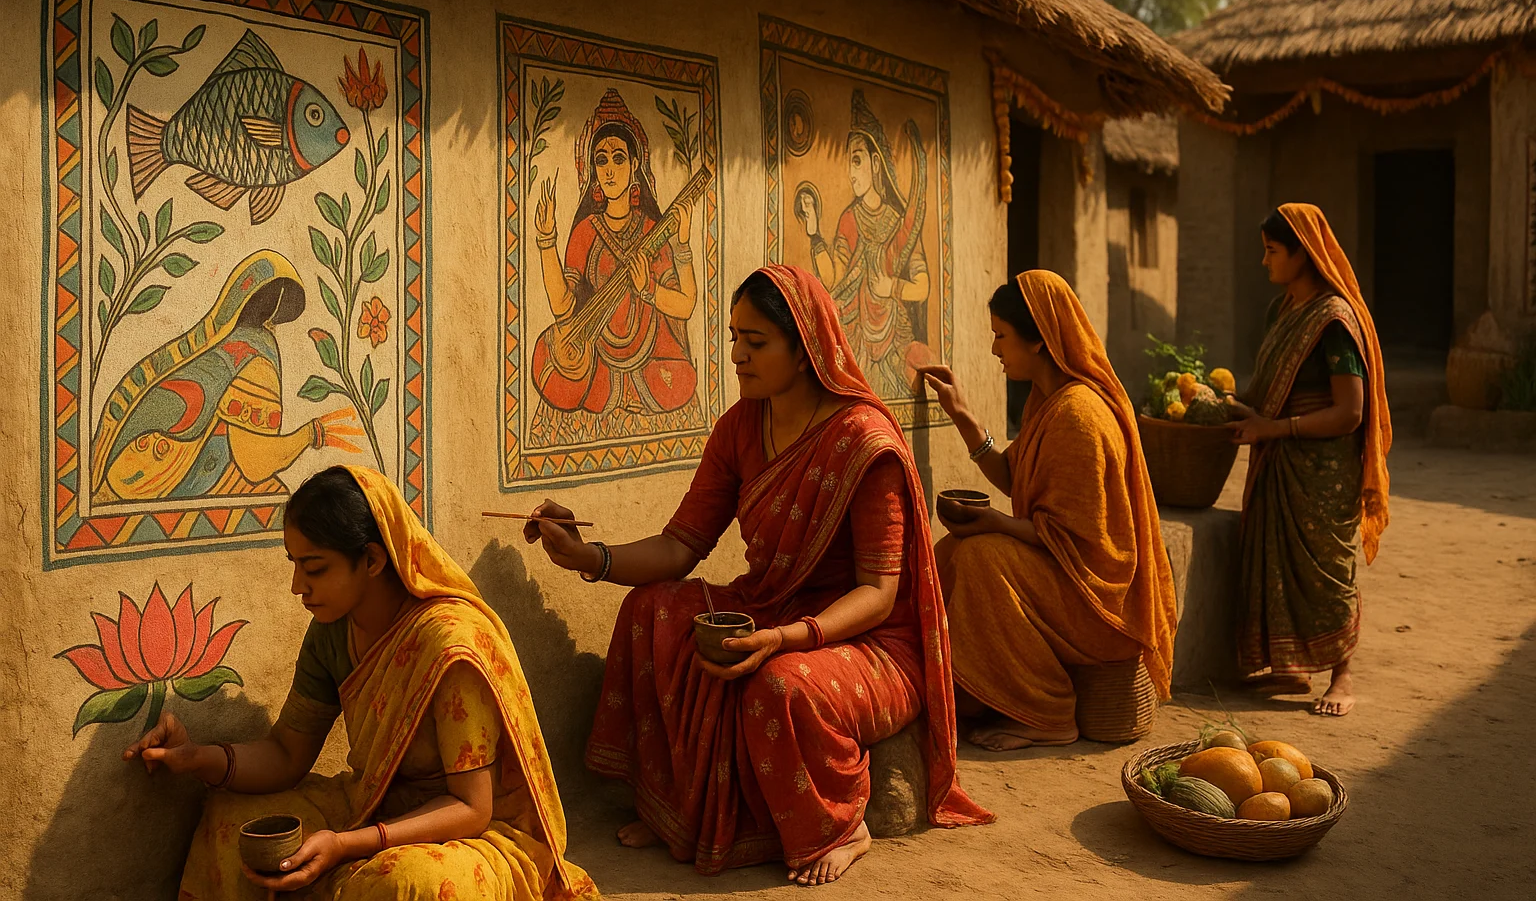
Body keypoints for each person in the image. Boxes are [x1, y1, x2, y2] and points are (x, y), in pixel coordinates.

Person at [525, 265, 990, 886]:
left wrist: (787, 638)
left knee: (779, 686)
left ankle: (843, 827)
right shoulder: (741, 425)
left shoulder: (864, 442)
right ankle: (679, 813)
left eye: (757, 342)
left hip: (869, 642)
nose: (738, 355)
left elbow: (879, 597)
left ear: (805, 349)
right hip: (771, 605)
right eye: (734, 337)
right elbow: (678, 545)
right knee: (649, 612)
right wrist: (589, 557)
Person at [123, 466, 596, 900]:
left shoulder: (451, 645)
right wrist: (197, 758)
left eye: (315, 568)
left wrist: (346, 845)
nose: (297, 586)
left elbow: (471, 808)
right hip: (372, 803)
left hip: (476, 834)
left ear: (371, 559)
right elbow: (287, 753)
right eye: (294, 564)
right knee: (230, 822)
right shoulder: (331, 630)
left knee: (410, 884)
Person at [917, 271, 1178, 750]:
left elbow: (1076, 542)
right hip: (1067, 580)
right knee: (956, 550)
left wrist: (995, 522)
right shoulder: (1049, 401)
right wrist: (963, 415)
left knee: (981, 559)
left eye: (1001, 336)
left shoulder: (1079, 415)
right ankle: (963, 692)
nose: (995, 349)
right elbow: (1015, 477)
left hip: (1100, 609)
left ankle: (1047, 712)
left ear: (1038, 340)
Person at [1226, 204, 1392, 717]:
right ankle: (1290, 666)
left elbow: (1349, 412)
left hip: (1321, 471)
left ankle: (1342, 676)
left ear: (1304, 253)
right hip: (1281, 460)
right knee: (1277, 563)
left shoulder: (1335, 321)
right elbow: (1273, 389)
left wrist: (1273, 428)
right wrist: (1228, 406)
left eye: (1273, 251)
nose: (1265, 261)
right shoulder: (1284, 312)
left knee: (1327, 571)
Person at [92, 250, 361, 503]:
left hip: (120, 474)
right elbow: (253, 463)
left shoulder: (211, 349)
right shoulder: (256, 357)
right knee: (277, 500)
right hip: (151, 481)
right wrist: (311, 434)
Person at [529, 88, 700, 443]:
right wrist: (547, 241)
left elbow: (685, 305)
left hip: (653, 355)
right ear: (591, 169)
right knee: (572, 385)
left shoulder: (653, 230)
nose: (609, 171)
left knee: (680, 383)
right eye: (601, 161)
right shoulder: (585, 232)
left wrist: (662, 271)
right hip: (600, 358)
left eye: (618, 159)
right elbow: (563, 309)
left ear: (635, 165)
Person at [795, 90, 930, 398]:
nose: (851, 173)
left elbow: (922, 286)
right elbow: (833, 278)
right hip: (854, 338)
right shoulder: (849, 219)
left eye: (857, 161)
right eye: (849, 163)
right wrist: (815, 232)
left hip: (893, 341)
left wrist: (892, 288)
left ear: (875, 162)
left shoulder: (899, 224)